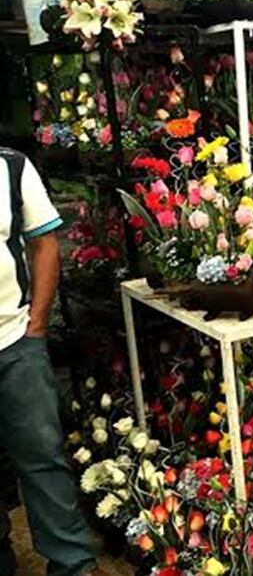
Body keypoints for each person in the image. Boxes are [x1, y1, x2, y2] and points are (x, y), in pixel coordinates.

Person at [0, 149, 102, 575]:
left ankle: (72, 563)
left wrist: (37, 324)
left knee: (43, 458)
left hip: (13, 341)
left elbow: (44, 245)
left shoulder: (11, 167)